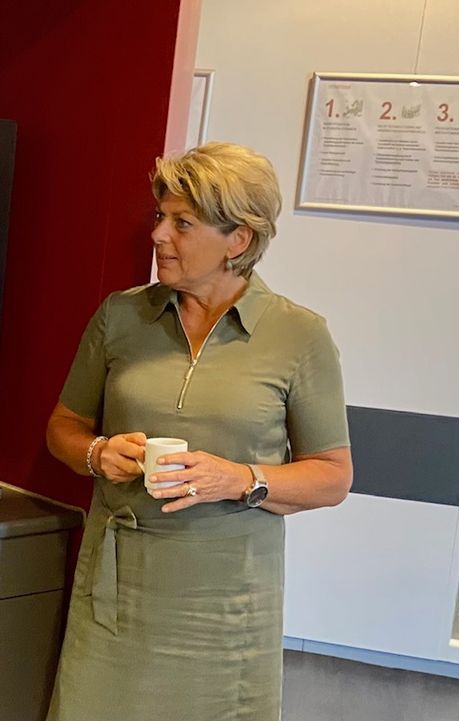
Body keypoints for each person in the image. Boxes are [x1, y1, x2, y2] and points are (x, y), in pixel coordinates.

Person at [44, 142, 353, 720]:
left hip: (226, 603)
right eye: (160, 217)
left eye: (182, 223)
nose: (159, 235)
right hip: (117, 590)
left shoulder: (299, 336)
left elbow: (332, 477)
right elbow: (64, 427)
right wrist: (96, 453)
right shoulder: (121, 316)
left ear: (238, 239)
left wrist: (237, 478)